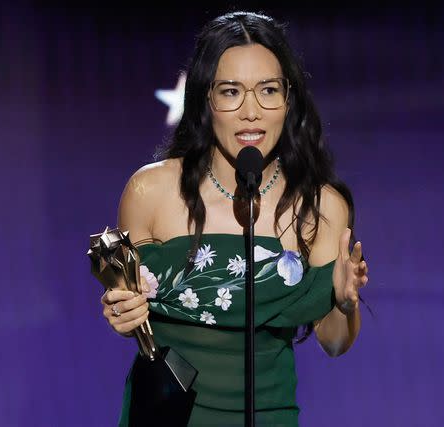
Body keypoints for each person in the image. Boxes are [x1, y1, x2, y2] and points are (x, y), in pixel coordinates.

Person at [100, 10, 369, 426]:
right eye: (231, 92)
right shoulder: (149, 193)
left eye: (268, 90)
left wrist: (345, 303)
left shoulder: (320, 208)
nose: (251, 112)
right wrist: (123, 313)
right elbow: (127, 307)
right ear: (206, 99)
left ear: (289, 98)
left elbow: (334, 343)